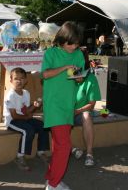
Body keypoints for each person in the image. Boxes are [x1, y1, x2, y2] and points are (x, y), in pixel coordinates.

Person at [41, 21, 85, 190]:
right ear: (62, 39)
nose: (74, 46)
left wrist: (79, 77)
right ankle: (53, 185)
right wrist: (65, 67)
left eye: (76, 43)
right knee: (64, 146)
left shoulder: (79, 54)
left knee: (59, 145)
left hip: (68, 104)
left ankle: (52, 178)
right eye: (70, 43)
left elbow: (79, 78)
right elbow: (45, 74)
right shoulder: (51, 53)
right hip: (54, 105)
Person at [3, 67, 50, 171]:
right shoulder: (11, 95)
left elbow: (26, 111)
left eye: (22, 78)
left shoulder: (26, 93)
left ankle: (41, 152)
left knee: (43, 126)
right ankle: (20, 156)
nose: (19, 81)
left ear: (26, 80)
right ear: (11, 80)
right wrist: (27, 117)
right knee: (28, 130)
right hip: (12, 121)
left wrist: (34, 105)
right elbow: (14, 115)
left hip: (23, 118)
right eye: (16, 79)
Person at [71, 70, 101, 167]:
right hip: (66, 112)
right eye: (74, 76)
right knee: (54, 120)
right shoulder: (66, 75)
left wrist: (76, 111)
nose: (76, 79)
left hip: (80, 112)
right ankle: (72, 149)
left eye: (79, 76)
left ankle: (89, 154)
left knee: (87, 116)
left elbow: (91, 105)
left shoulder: (91, 78)